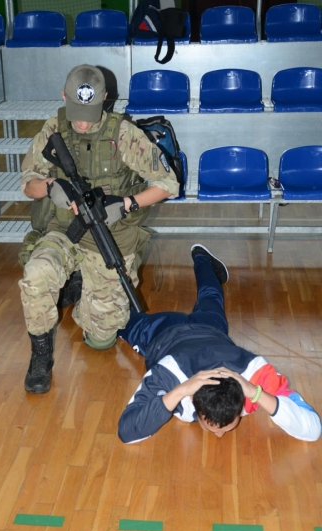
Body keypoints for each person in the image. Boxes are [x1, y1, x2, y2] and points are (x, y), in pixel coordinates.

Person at [19, 64, 179, 394]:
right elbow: (27, 185)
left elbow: (169, 184)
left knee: (101, 340)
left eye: (90, 112)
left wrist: (127, 204)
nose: (82, 121)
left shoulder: (124, 134)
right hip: (63, 231)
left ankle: (81, 284)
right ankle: (40, 355)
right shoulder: (54, 128)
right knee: (36, 274)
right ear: (64, 97)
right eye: (76, 111)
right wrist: (50, 186)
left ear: (105, 99)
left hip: (109, 237)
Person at [118, 244, 321, 443]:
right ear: (192, 400)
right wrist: (180, 390)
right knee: (117, 322)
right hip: (161, 333)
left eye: (226, 427)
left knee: (212, 294)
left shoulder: (257, 375)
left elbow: (313, 429)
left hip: (210, 330)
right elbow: (126, 431)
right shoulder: (169, 375)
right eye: (211, 428)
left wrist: (256, 392)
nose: (220, 435)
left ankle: (201, 256)